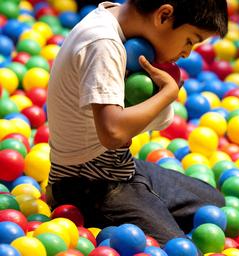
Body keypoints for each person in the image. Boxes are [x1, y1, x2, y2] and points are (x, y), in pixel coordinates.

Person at [46, 0, 228, 250]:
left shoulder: (118, 23)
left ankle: (151, 208)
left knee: (217, 206)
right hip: (86, 187)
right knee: (179, 250)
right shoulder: (103, 43)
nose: (187, 53)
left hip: (124, 170)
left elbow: (147, 121)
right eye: (190, 40)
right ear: (164, 16)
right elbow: (113, 132)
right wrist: (167, 94)